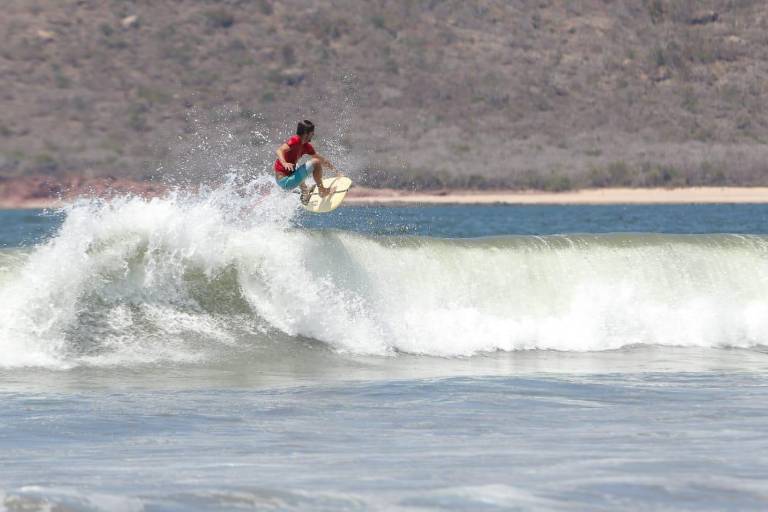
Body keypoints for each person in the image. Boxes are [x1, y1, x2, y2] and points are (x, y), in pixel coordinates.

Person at [274, 120, 337, 204]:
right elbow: (279, 150)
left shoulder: (306, 146)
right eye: (312, 133)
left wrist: (335, 171)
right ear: (306, 133)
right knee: (315, 162)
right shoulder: (295, 140)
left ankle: (305, 194)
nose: (313, 135)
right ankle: (322, 191)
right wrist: (284, 163)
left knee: (302, 165)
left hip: (290, 178)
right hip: (285, 181)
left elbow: (321, 159)